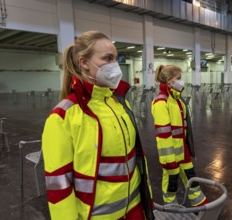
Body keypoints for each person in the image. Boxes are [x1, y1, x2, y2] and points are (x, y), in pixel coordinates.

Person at [42, 31, 154, 220]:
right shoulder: (63, 117)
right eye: (107, 58)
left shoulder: (119, 103)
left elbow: (134, 160)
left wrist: (146, 202)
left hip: (135, 208)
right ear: (84, 63)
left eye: (116, 59)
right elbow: (59, 185)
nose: (115, 66)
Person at [151, 64, 208, 207]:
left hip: (183, 150)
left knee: (190, 175)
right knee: (171, 181)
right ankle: (170, 206)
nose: (181, 81)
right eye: (179, 78)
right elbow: (163, 135)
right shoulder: (161, 102)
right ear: (169, 80)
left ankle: (199, 202)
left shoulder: (177, 100)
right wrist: (169, 159)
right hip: (171, 154)